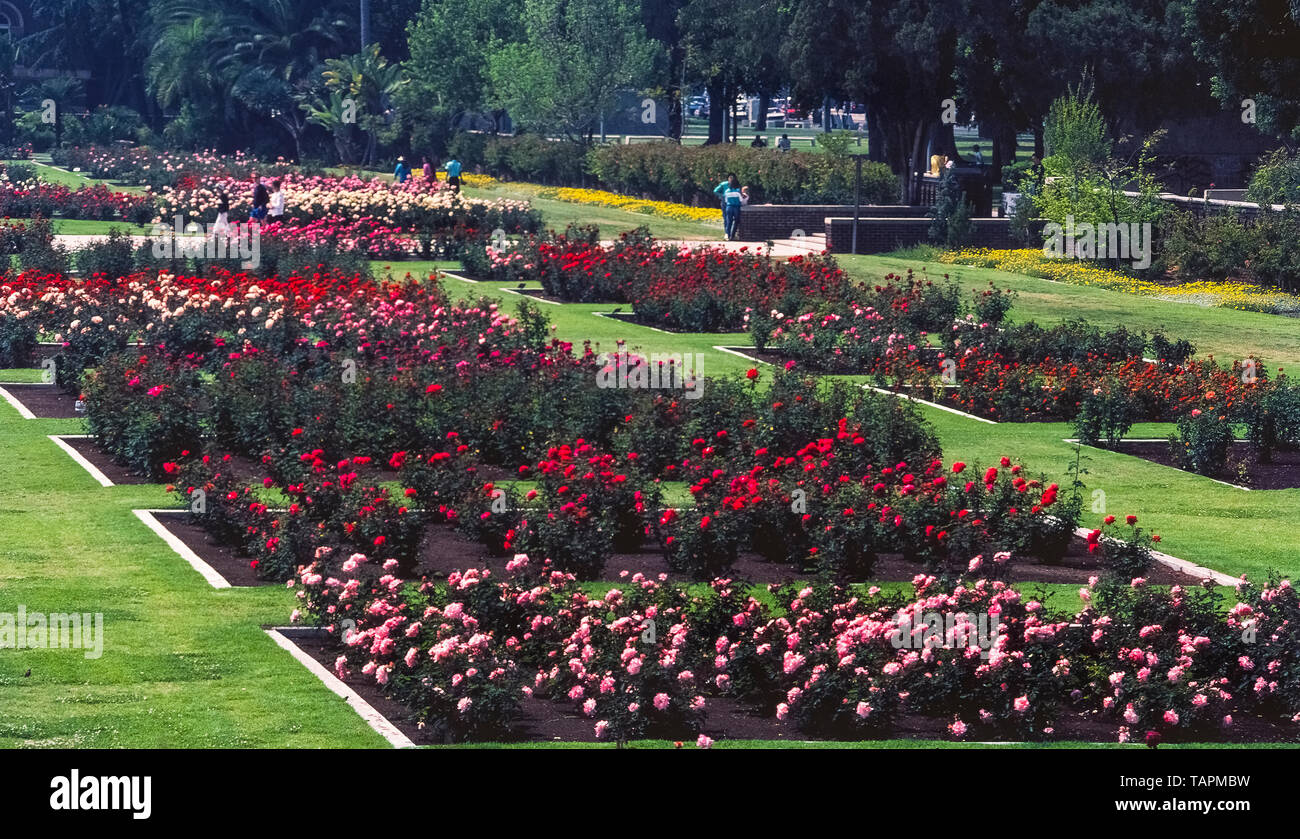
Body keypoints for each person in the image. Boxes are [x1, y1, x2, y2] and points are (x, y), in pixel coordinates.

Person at [714, 173, 745, 241]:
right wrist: (722, 196)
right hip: (727, 204)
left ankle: (731, 234)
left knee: (731, 219)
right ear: (728, 178)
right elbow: (715, 191)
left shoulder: (736, 185)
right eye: (730, 178)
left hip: (730, 203)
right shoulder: (723, 184)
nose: (731, 179)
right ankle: (727, 233)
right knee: (727, 218)